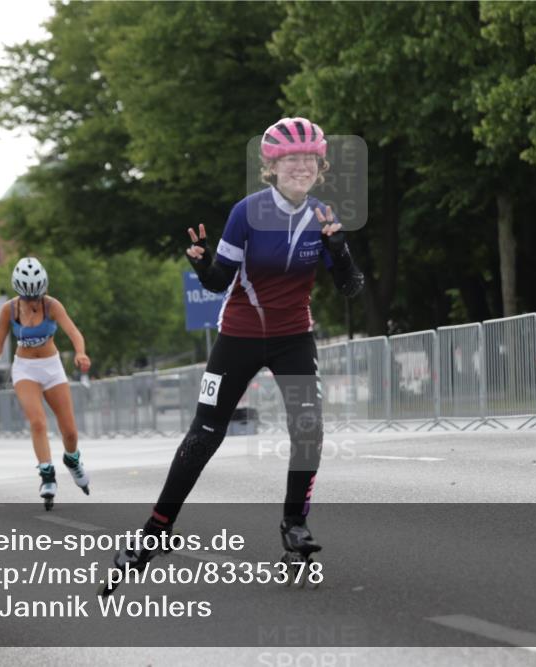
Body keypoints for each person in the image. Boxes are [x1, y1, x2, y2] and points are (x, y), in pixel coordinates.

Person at [110, 117, 365, 581]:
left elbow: (350, 287)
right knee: (204, 435)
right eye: (291, 160)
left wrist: (340, 250)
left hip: (293, 338)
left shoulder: (322, 216)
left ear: (320, 166)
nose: (301, 167)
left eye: (309, 160)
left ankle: (295, 525)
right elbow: (217, 282)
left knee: (308, 429)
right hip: (240, 336)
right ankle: (156, 529)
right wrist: (202, 262)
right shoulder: (247, 213)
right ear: (273, 167)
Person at [0, 257, 93, 510]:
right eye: (28, 298)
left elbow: (73, 332)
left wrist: (80, 353)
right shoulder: (9, 310)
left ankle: (72, 460)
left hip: (52, 367)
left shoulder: (52, 306)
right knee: (37, 422)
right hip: (25, 368)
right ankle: (47, 474)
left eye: (37, 296)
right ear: (19, 292)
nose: (33, 302)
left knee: (70, 431)